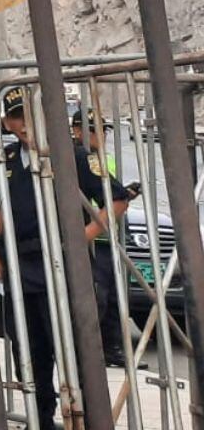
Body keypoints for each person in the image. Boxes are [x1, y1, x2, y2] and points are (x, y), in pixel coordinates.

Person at [0, 87, 129, 430]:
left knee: (74, 354)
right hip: (23, 268)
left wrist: (82, 236)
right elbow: (0, 204)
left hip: (66, 269)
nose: (24, 125)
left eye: (29, 116)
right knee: (30, 353)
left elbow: (116, 200)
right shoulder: (7, 158)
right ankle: (41, 429)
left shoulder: (73, 156)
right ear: (6, 122)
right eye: (16, 117)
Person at [70, 108, 135, 368]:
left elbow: (112, 197)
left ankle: (107, 350)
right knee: (98, 296)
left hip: (105, 238)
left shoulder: (101, 159)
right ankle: (93, 351)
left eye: (103, 129)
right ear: (77, 130)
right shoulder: (79, 158)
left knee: (109, 297)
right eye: (93, 129)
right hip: (95, 242)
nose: (101, 135)